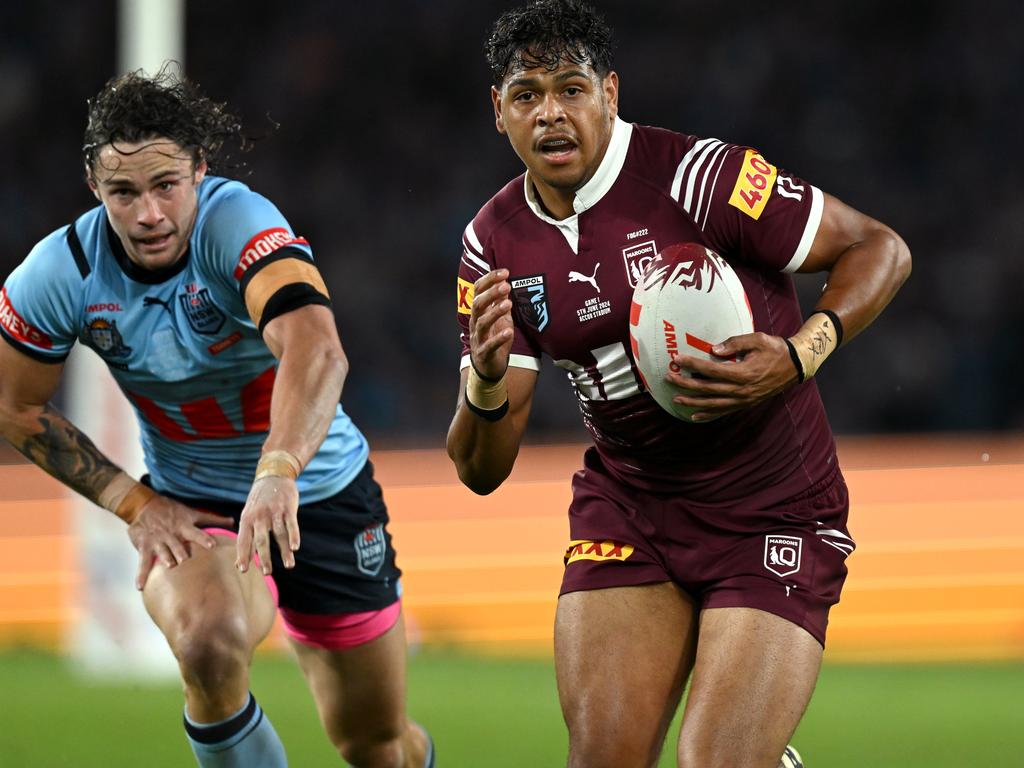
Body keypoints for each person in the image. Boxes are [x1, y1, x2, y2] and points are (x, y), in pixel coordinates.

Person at [447, 2, 911, 767]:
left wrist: (800, 353)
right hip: (633, 509)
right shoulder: (490, 245)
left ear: (611, 95)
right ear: (498, 112)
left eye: (572, 88)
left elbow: (879, 248)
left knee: (715, 762)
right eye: (527, 94)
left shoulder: (702, 178)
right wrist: (488, 383)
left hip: (772, 510)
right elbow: (480, 470)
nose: (551, 113)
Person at [0, 68, 433, 768]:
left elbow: (317, 349)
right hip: (192, 502)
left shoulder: (238, 224)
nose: (149, 214)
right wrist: (133, 502)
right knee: (208, 637)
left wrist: (279, 469)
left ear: (200, 170)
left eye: (166, 185)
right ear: (93, 185)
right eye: (124, 192)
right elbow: (11, 405)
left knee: (376, 744)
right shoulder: (60, 272)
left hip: (317, 493)